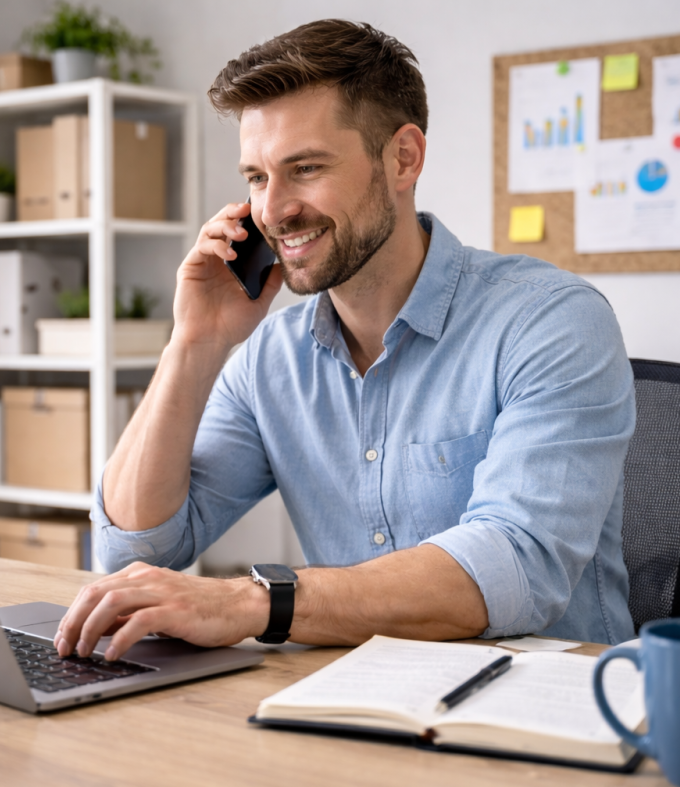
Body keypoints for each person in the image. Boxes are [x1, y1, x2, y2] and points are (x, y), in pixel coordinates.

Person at [54, 19, 636, 663]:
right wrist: (193, 342)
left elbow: (517, 565)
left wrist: (255, 602)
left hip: (544, 714)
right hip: (353, 702)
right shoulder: (270, 358)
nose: (273, 211)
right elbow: (134, 552)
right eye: (256, 177)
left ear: (403, 159)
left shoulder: (550, 322)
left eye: (304, 168)